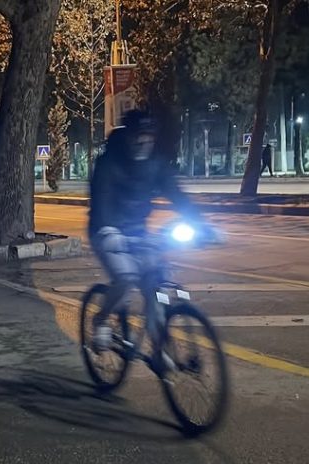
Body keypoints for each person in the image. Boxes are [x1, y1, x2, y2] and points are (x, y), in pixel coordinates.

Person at [88, 109, 219, 354]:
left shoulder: (156, 164)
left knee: (155, 283)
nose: (143, 141)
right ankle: (101, 320)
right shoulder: (108, 162)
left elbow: (177, 195)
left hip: (139, 232)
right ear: (128, 136)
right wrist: (108, 231)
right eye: (138, 136)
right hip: (106, 231)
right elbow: (101, 198)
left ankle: (159, 350)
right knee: (126, 277)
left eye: (148, 136)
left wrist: (202, 225)